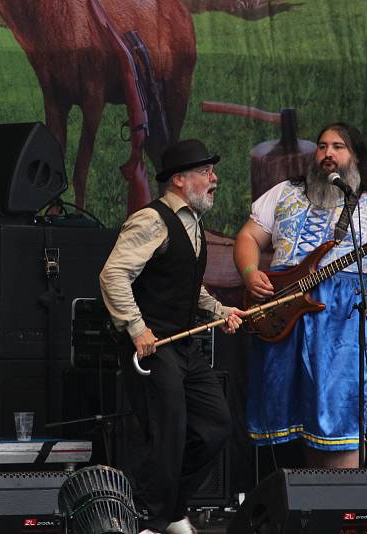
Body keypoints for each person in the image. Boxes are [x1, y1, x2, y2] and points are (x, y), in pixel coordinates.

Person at [234, 122, 367, 469]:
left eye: (338, 147)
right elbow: (248, 237)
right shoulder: (285, 191)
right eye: (321, 146)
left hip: (345, 312)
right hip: (285, 305)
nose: (327, 153)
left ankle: (343, 506)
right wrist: (249, 272)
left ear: (357, 157)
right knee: (293, 404)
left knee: (337, 405)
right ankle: (304, 503)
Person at [100, 139, 246, 534]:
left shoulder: (192, 223)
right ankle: (150, 518)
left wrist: (220, 311)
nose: (214, 179)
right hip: (152, 347)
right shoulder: (151, 220)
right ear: (179, 180)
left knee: (216, 426)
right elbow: (113, 275)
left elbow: (186, 285)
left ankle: (171, 508)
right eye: (206, 172)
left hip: (182, 345)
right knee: (168, 433)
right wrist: (137, 328)